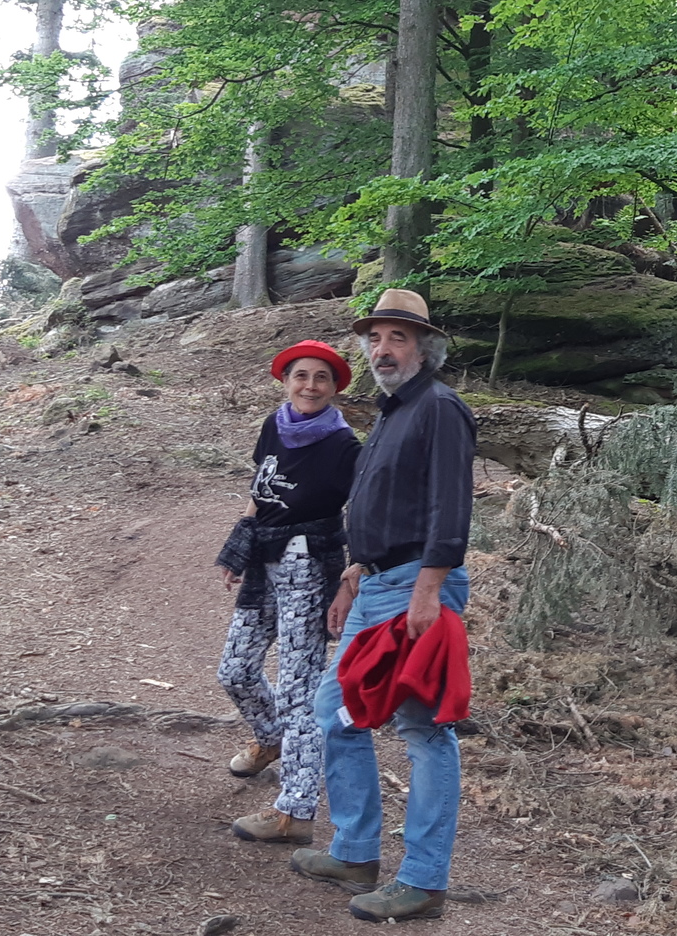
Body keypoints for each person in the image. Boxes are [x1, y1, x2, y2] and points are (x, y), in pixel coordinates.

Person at [288, 288, 474, 922]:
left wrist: (428, 590)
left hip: (417, 588)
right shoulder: (393, 411)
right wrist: (355, 571)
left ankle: (423, 880)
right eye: (375, 338)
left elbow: (451, 507)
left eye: (398, 337)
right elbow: (388, 504)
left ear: (424, 347)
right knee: (335, 711)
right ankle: (354, 852)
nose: (383, 348)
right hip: (378, 584)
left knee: (424, 727)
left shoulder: (440, 408)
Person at [214, 339, 359, 846]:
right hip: (266, 561)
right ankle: (272, 739)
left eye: (322, 378)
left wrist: (352, 575)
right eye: (301, 376)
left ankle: (295, 810)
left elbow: (362, 512)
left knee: (299, 690)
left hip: (311, 566)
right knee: (235, 670)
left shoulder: (344, 448)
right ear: (285, 381)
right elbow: (261, 490)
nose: (310, 386)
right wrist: (239, 545)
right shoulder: (274, 425)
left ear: (335, 388)